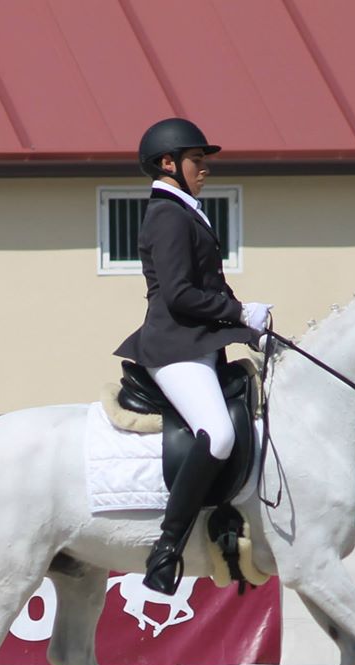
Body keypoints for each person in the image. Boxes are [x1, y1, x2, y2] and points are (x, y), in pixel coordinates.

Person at [114, 117, 273, 595]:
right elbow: (181, 295)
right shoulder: (166, 215)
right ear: (169, 163)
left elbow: (211, 288)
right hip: (174, 348)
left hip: (201, 346)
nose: (205, 169)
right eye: (197, 161)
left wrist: (250, 331)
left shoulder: (188, 211)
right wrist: (240, 309)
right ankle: (165, 550)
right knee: (219, 433)